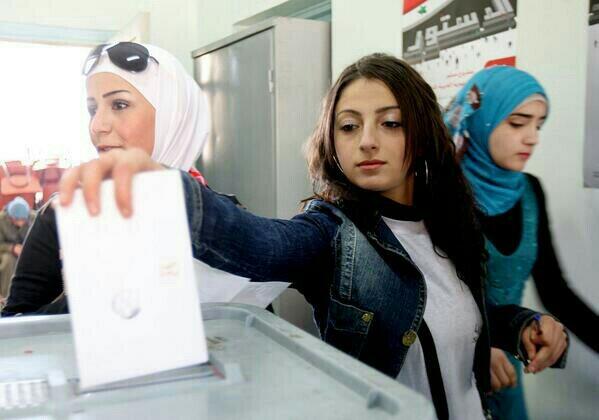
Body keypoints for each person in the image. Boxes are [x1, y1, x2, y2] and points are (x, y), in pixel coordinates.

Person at [57, 54, 568, 420]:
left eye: (390, 123)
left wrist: (520, 325)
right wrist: (168, 189)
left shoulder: (453, 223)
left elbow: (457, 308)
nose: (367, 141)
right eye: (348, 126)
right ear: (332, 141)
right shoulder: (331, 233)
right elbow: (260, 242)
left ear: (421, 133)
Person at [1, 42, 210, 316]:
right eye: (92, 109)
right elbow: (16, 324)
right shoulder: (62, 213)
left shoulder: (220, 220)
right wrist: (98, 297)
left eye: (119, 104)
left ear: (173, 115)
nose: (97, 126)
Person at [444, 65, 598, 420]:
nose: (532, 138)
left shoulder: (530, 191)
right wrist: (479, 347)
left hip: (508, 373)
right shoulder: (439, 195)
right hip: (446, 373)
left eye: (538, 125)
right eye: (517, 123)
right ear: (480, 121)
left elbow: (555, 290)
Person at [0, 197, 34, 304]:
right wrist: (12, 248)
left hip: (29, 251)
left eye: (23, 220)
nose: (20, 223)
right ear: (10, 217)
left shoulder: (34, 218)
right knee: (8, 260)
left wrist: (28, 249)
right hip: (6, 252)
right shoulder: (1, 220)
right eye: (16, 220)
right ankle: (6, 297)